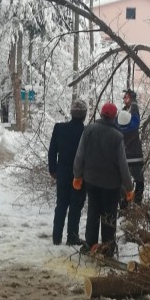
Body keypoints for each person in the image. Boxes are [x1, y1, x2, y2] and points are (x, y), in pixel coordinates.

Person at [73, 101, 135, 257]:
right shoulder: (117, 136)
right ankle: (107, 249)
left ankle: (90, 245)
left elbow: (79, 155)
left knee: (93, 212)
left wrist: (77, 176)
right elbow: (123, 165)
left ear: (101, 114)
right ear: (114, 118)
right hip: (111, 185)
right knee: (109, 217)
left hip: (91, 181)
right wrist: (129, 187)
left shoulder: (89, 130)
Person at [48, 99, 88, 245]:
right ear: (84, 115)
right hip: (80, 176)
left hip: (62, 173)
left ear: (71, 113)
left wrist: (52, 169)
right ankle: (72, 237)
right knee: (75, 207)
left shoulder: (59, 128)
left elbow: (52, 150)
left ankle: (56, 237)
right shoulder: (86, 131)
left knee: (61, 204)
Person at [118, 88, 145, 206]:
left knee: (123, 184)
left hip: (124, 160)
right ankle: (138, 204)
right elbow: (135, 115)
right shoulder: (133, 125)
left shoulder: (117, 127)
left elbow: (119, 118)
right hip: (136, 159)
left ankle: (124, 206)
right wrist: (133, 101)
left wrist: (124, 110)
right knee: (139, 182)